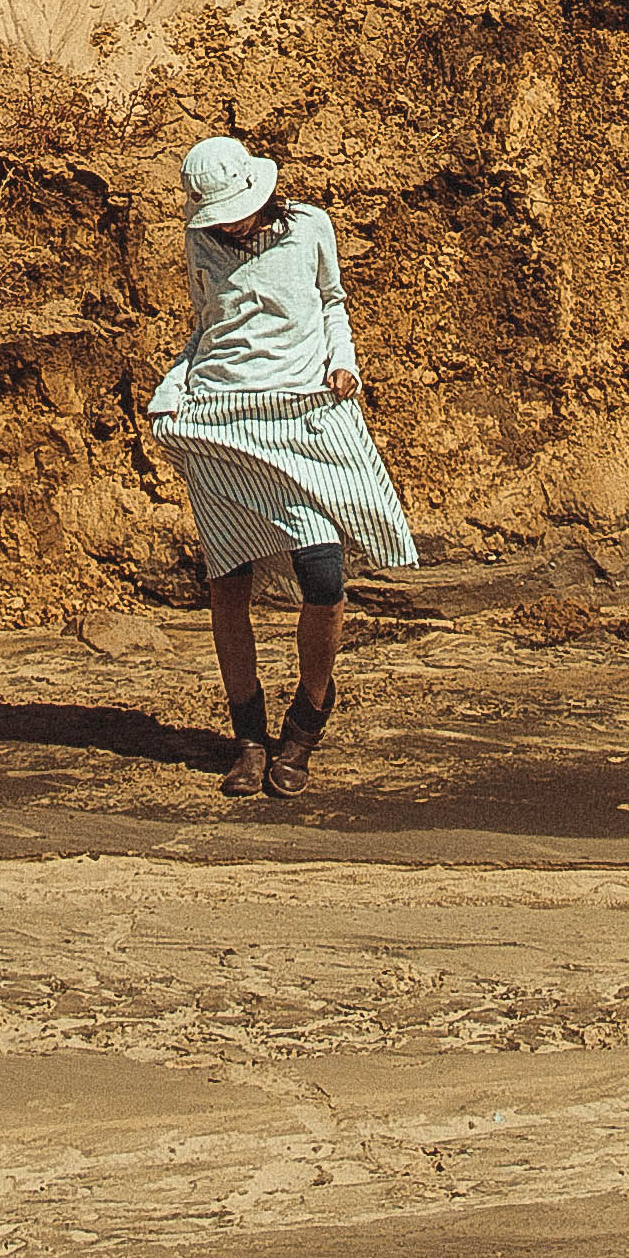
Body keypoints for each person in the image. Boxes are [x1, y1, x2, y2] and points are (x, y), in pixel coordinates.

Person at [148, 137, 422, 797]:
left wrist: (343, 362)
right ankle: (248, 737)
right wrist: (175, 385)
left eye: (235, 211)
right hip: (219, 417)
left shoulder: (310, 227)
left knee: (322, 576)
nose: (229, 225)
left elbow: (332, 302)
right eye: (217, 216)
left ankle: (307, 718)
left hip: (300, 415)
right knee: (228, 581)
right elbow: (209, 328)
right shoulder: (200, 243)